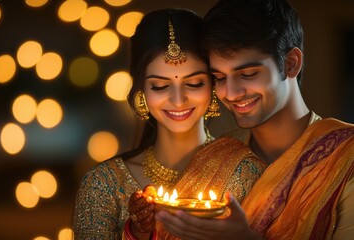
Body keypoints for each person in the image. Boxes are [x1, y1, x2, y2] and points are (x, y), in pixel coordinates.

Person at [155, 0, 354, 239]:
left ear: (291, 63)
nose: (231, 93)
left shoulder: (345, 156)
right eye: (219, 77)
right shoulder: (217, 155)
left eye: (248, 74)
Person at [72, 8, 267, 240]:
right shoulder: (102, 185)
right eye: (160, 86)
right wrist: (136, 234)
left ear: (213, 85)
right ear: (141, 90)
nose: (178, 100)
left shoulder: (245, 172)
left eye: (194, 83)